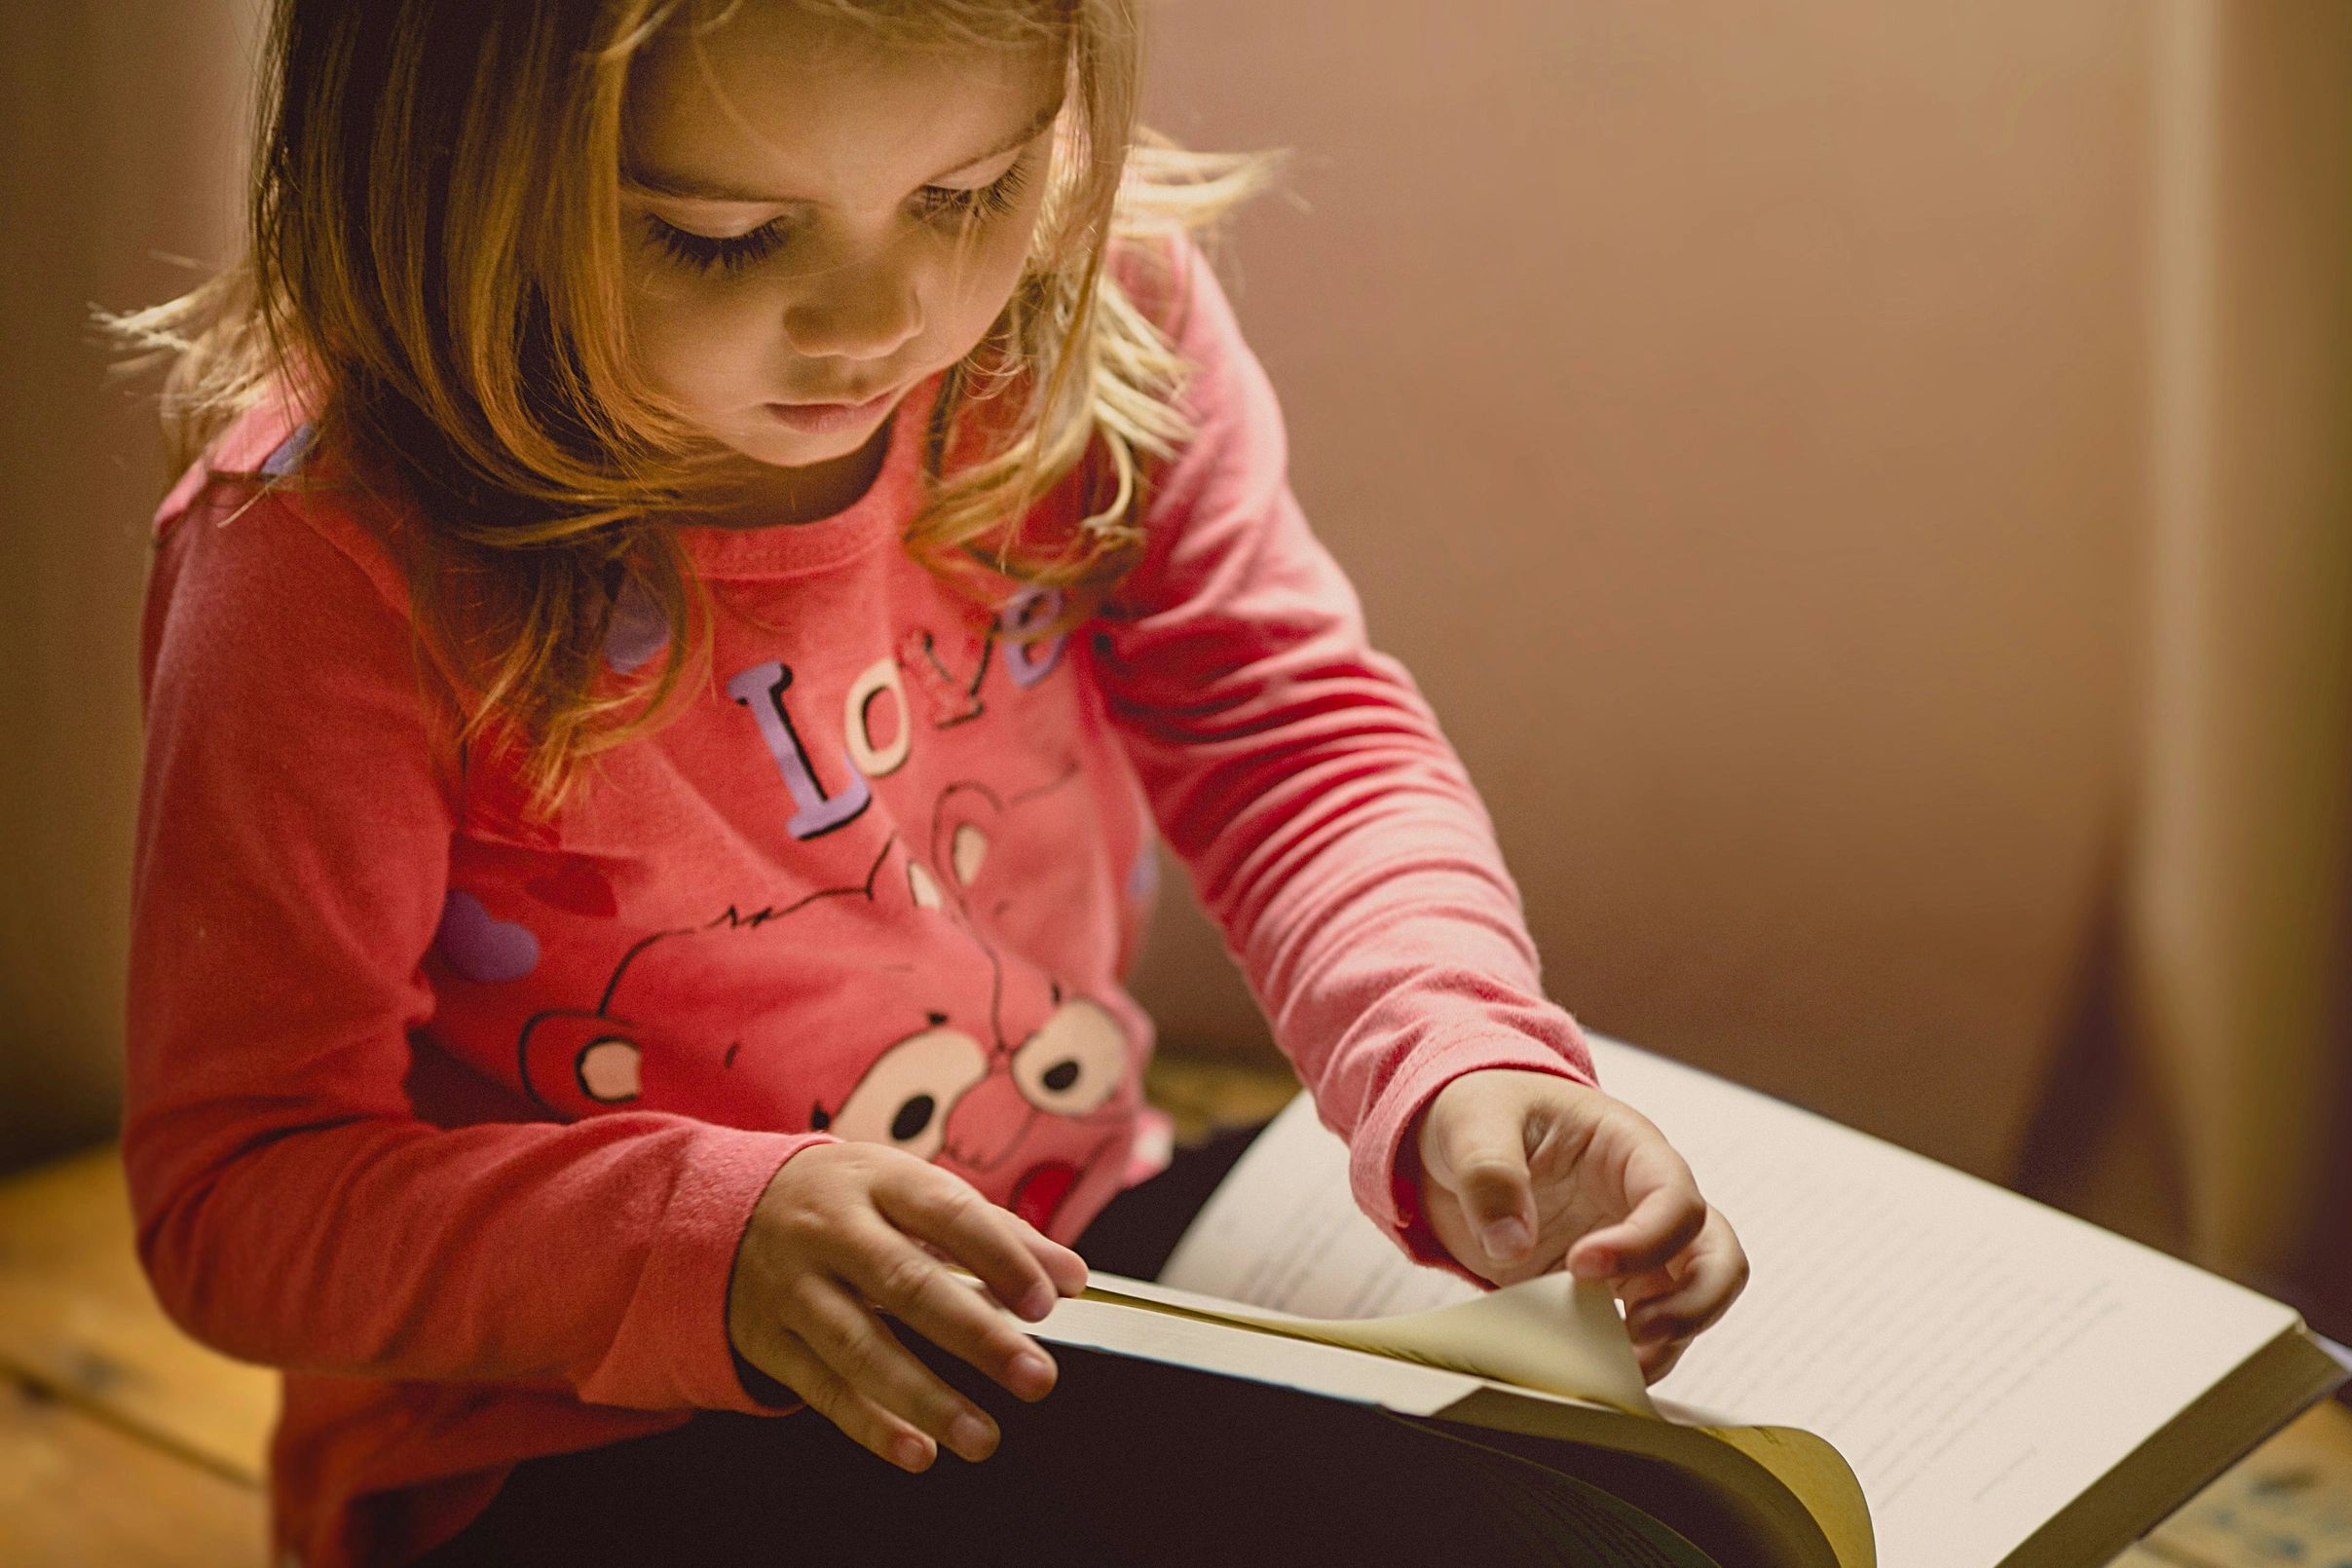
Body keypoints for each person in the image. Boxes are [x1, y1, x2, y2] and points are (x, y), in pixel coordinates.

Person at [111, 2, 1749, 1563]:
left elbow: (1290, 733)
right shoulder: (325, 561)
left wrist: (1450, 1041)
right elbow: (242, 1196)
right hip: (562, 1444)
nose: (879, 320)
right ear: (432, 160)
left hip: (1070, 1261)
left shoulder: (1082, 323)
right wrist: (714, 1239)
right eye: (723, 235)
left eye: (969, 191)